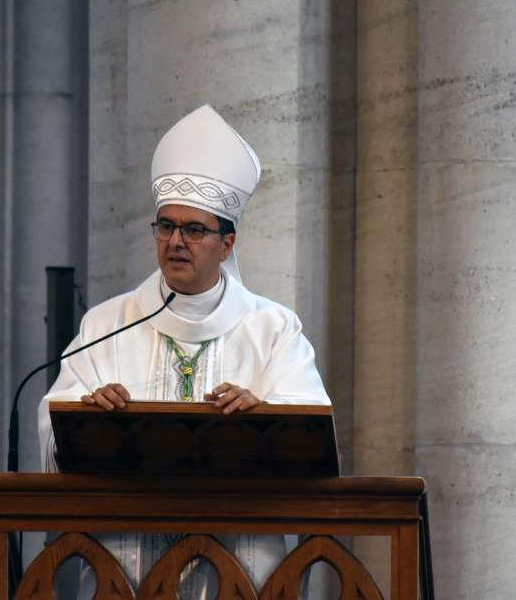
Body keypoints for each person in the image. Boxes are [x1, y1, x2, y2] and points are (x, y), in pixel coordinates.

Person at [38, 104, 331, 595]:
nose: (175, 241)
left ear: (227, 242)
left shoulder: (273, 329)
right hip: (125, 567)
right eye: (165, 226)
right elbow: (52, 422)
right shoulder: (107, 324)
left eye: (193, 229)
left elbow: (313, 430)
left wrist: (265, 414)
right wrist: (87, 414)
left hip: (240, 566)